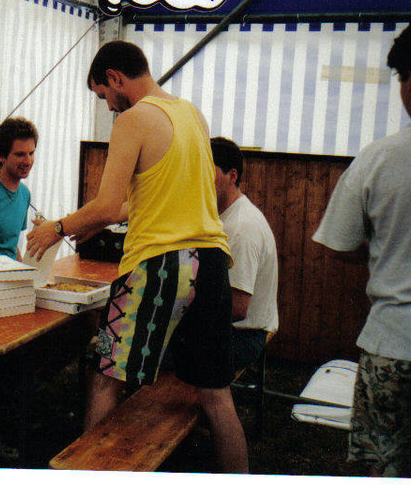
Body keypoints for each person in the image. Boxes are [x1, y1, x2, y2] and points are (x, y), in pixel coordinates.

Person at [26, 40, 249, 473]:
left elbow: (107, 205)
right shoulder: (192, 114)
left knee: (104, 375)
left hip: (162, 265)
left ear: (115, 78)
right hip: (212, 262)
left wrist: (57, 228)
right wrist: (88, 222)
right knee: (216, 397)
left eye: (103, 95)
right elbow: (147, 201)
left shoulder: (133, 120)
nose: (109, 106)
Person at [312, 19, 411, 478]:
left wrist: (387, 250)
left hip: (396, 341)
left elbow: (339, 244)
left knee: (383, 468)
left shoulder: (378, 157)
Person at [210, 136, 278, 374]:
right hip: (234, 331)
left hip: (242, 337)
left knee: (150, 346)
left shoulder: (241, 227)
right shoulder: (224, 215)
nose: (199, 180)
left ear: (232, 176)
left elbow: (238, 308)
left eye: (208, 172)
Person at [0, 117, 38, 260]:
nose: (28, 161)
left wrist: (25, 269)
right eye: (20, 154)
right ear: (1, 156)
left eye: (31, 153)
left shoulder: (24, 194)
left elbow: (10, 245)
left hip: (10, 271)